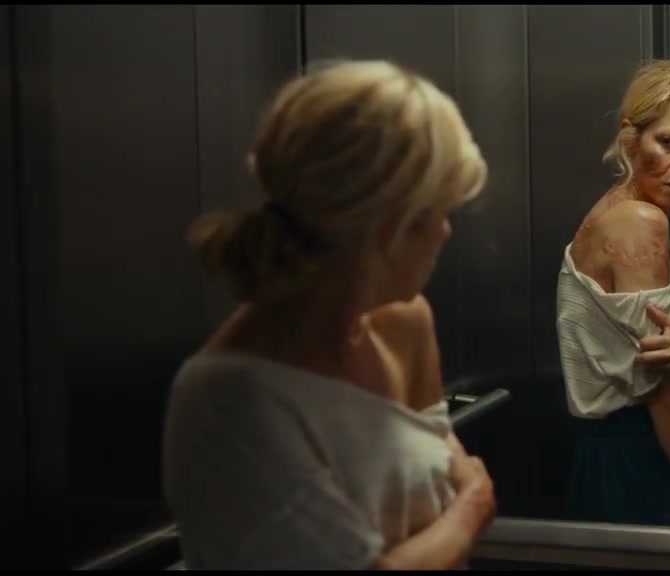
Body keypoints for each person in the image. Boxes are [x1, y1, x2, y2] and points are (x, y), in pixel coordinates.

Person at [162, 59, 495, 569]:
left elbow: (434, 453)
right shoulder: (230, 399)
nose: (446, 232)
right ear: (387, 230)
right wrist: (473, 508)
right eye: (439, 213)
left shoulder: (404, 322)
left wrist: (459, 489)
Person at [556, 60, 670, 529]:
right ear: (631, 138)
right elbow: (667, 384)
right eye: (669, 143)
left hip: (630, 452)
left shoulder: (632, 213)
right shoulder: (639, 222)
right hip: (635, 454)